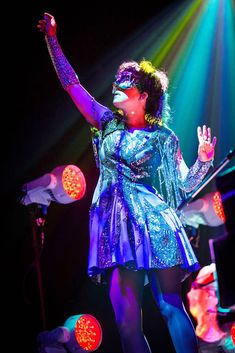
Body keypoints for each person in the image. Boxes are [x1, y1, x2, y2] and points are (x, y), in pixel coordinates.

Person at [37, 12, 217, 353]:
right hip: (116, 229)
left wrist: (204, 161)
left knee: (168, 305)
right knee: (125, 323)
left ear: (143, 96)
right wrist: (52, 40)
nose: (117, 85)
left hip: (154, 223)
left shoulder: (163, 138)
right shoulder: (106, 123)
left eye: (126, 82)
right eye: (117, 80)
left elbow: (184, 185)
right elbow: (72, 84)